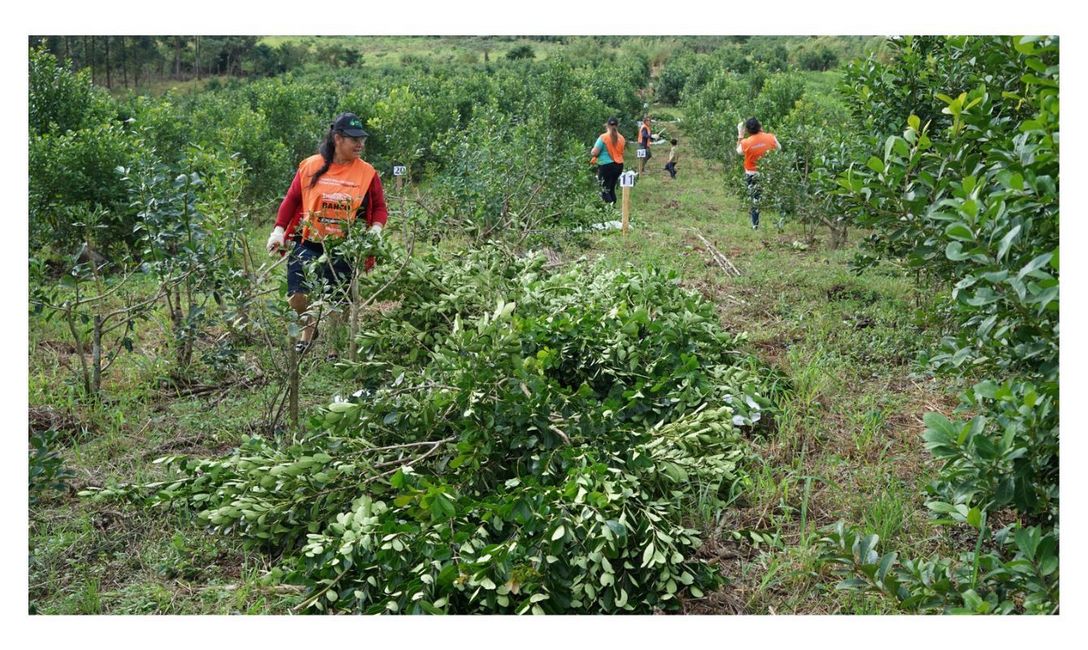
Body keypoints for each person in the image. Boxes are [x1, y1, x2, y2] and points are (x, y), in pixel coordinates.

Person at [266, 112, 388, 355]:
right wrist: (278, 230)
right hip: (309, 241)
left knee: (338, 300)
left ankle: (334, 346)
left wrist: (375, 230)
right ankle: (309, 328)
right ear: (337, 138)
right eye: (354, 139)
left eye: (362, 139)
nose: (360, 144)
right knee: (297, 295)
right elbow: (292, 199)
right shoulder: (310, 166)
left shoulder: (367, 173)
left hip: (344, 245)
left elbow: (380, 207)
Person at [736, 117, 781, 229]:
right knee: (773, 197)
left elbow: (738, 151)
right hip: (768, 172)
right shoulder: (771, 137)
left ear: (747, 130)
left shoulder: (746, 142)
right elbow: (779, 148)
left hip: (752, 173)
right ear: (760, 126)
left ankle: (755, 225)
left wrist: (740, 135)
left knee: (755, 198)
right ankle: (779, 221)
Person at [590, 117, 626, 205]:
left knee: (604, 190)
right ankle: (613, 208)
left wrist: (592, 152)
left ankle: (610, 210)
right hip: (619, 166)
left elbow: (595, 152)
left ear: (607, 125)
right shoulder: (621, 138)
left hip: (606, 166)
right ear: (618, 125)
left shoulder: (603, 137)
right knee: (611, 189)